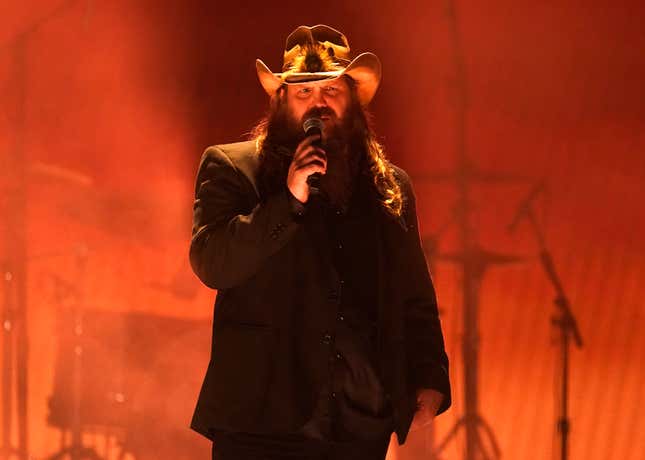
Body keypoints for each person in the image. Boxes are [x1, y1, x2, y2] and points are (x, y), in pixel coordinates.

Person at [188, 24, 451, 460]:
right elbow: (213, 264)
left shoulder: (388, 185)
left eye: (331, 90)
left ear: (353, 100)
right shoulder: (233, 169)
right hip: (261, 418)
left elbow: (413, 294)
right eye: (303, 93)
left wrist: (430, 374)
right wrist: (287, 200)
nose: (319, 103)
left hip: (357, 417)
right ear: (281, 102)